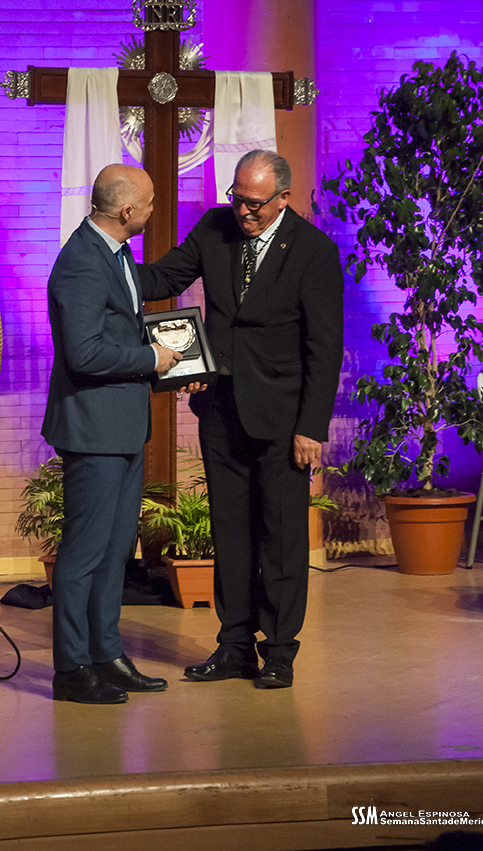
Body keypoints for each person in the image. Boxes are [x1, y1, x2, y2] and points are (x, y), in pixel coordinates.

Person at [138, 150, 344, 689]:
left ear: (283, 199)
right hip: (222, 410)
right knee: (230, 533)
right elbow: (164, 276)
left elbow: (325, 348)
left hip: (284, 420)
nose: (244, 211)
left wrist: (311, 427)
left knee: (281, 538)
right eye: (238, 198)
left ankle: (278, 650)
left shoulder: (314, 252)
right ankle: (233, 646)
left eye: (255, 203)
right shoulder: (216, 227)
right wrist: (107, 264)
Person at [42, 164, 182, 704]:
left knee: (116, 549)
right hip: (93, 430)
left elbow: (124, 322)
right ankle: (71, 668)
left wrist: (175, 364)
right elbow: (84, 353)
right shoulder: (81, 262)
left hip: (122, 427)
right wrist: (151, 358)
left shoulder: (116, 253)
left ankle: (106, 653)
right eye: (149, 202)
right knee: (84, 552)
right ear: (127, 211)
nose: (153, 209)